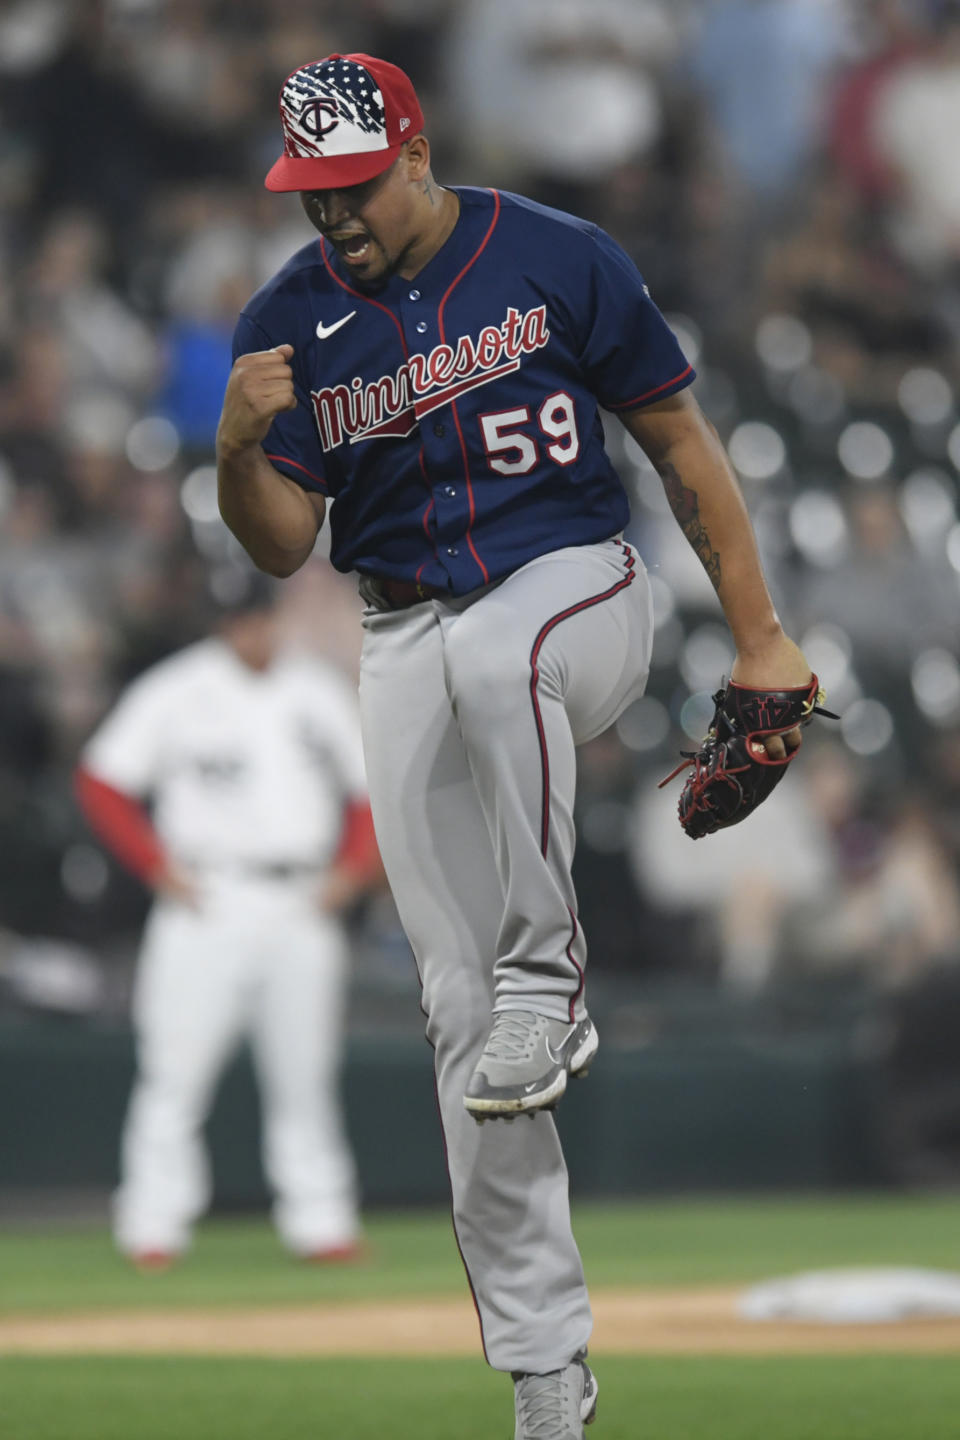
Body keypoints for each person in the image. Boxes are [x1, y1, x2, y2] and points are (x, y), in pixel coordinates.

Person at [216, 52, 813, 1439]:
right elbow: (282, 546)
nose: (335, 216)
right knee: (461, 1025)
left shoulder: (553, 255)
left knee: (504, 656)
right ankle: (548, 1374)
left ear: (414, 150)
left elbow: (678, 439)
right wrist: (237, 453)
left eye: (353, 184)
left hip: (579, 590)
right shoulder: (290, 320)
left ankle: (556, 972)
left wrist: (763, 634)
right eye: (312, 193)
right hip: (401, 632)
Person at [74, 567, 380, 1270]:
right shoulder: (177, 689)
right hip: (206, 898)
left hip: (301, 898)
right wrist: (154, 864)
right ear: (220, 624)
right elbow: (101, 779)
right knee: (173, 1074)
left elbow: (368, 791)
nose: (250, 630)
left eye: (259, 616)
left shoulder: (315, 688)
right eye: (237, 619)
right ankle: (153, 1227)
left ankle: (322, 1223)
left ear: (274, 616)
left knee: (305, 1076)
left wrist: (353, 869)